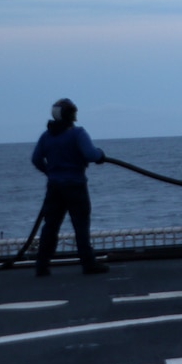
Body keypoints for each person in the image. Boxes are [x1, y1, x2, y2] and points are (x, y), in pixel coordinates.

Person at [29, 97, 110, 276]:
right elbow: (90, 154)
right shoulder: (77, 133)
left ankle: (42, 265)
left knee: (50, 226)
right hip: (75, 185)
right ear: (71, 115)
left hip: (54, 187)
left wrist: (50, 172)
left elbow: (36, 159)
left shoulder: (46, 136)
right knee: (80, 225)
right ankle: (88, 264)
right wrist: (100, 155)